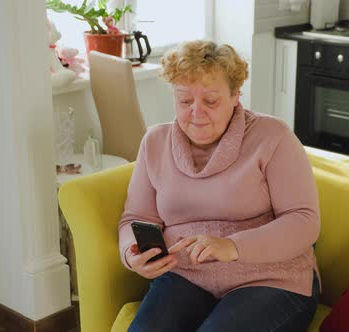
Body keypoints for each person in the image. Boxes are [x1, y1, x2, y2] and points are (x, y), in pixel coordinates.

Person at [117, 40, 321, 332]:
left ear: (236, 95)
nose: (196, 113)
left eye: (211, 101)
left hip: (269, 278)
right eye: (185, 101)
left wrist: (232, 246)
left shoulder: (272, 137)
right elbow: (137, 217)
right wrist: (131, 253)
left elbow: (304, 221)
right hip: (187, 275)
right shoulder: (154, 142)